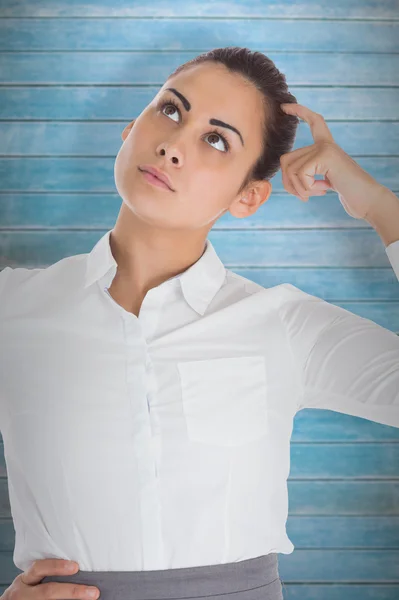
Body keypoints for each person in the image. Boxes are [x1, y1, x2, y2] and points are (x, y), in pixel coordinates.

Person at [0, 46, 398, 600]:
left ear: (249, 196)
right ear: (129, 126)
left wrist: (380, 204)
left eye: (216, 139)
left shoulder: (284, 326)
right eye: (170, 110)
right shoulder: (12, 310)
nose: (173, 145)